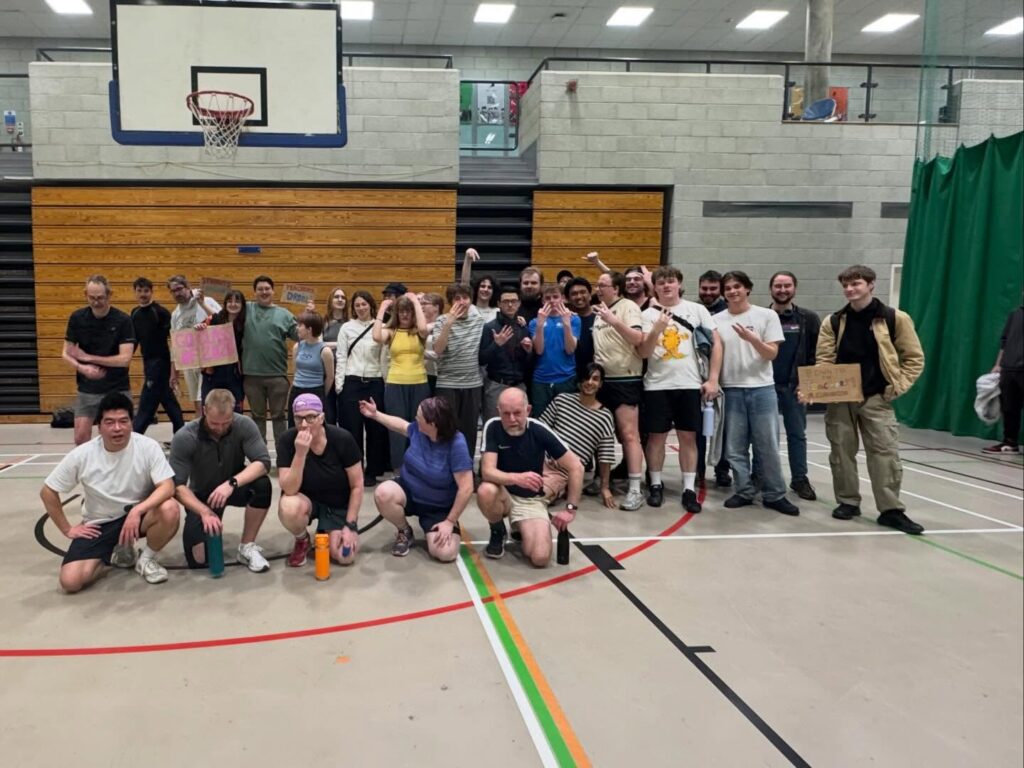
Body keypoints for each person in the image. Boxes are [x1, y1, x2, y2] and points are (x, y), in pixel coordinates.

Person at [812, 265, 926, 534]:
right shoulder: (834, 321)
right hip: (841, 398)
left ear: (871, 284)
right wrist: (817, 387)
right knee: (841, 451)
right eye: (846, 285)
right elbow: (824, 360)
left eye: (856, 284)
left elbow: (914, 358)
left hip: (876, 397)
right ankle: (848, 502)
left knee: (885, 453)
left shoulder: (894, 318)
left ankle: (890, 510)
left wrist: (897, 387)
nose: (850, 289)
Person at [40, 392, 180, 592]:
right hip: (100, 523)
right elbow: (48, 491)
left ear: (131, 423)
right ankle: (113, 552)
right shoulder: (83, 454)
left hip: (138, 518)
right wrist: (67, 529)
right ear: (99, 426)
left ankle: (146, 559)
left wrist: (137, 510)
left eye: (123, 421)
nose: (117, 428)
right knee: (71, 582)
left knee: (170, 508)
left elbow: (167, 486)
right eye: (109, 422)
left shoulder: (148, 447)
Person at [713, 271, 800, 516]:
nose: (733, 291)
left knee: (767, 445)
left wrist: (753, 339)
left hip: (762, 389)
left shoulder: (766, 315)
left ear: (748, 288)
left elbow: (771, 353)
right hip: (731, 389)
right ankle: (744, 491)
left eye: (737, 286)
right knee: (734, 447)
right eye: (728, 288)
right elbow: (716, 354)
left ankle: (775, 494)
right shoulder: (716, 320)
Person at [638, 266, 721, 514]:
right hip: (657, 385)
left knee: (688, 438)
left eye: (671, 281)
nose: (666, 285)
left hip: (689, 384)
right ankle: (655, 484)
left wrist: (713, 379)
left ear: (679, 284)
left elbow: (717, 344)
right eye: (661, 282)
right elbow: (643, 352)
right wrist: (657, 329)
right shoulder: (647, 315)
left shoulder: (697, 310)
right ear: (654, 287)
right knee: (656, 438)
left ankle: (688, 489)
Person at [169, 388, 272, 573]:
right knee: (199, 561)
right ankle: (207, 524)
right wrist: (204, 511)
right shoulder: (185, 436)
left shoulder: (244, 425)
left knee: (262, 485)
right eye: (214, 423)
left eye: (226, 423)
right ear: (204, 410)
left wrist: (231, 483)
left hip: (233, 488)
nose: (220, 428)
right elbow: (177, 486)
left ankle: (247, 546)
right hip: (202, 497)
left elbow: (263, 462)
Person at [359, 396, 473, 561]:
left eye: (419, 416)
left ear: (433, 424)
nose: (415, 418)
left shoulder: (457, 444)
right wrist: (376, 414)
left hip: (438, 507)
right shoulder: (419, 431)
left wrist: (449, 521)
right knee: (383, 493)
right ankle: (404, 530)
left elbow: (466, 488)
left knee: (446, 553)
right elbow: (401, 425)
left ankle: (443, 525)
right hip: (409, 493)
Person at [478, 388, 582, 566]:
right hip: (502, 493)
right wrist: (517, 478)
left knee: (540, 558)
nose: (512, 419)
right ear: (498, 412)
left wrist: (570, 509)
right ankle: (498, 530)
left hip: (530, 499)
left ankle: (520, 528)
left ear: (528, 410)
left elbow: (576, 466)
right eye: (506, 414)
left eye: (517, 413)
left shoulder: (538, 430)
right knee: (485, 490)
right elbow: (487, 471)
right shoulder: (493, 426)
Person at [277, 393, 364, 566]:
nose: (304, 424)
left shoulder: (342, 439)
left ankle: (326, 531)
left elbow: (357, 485)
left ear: (322, 417)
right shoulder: (287, 440)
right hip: (307, 501)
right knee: (288, 506)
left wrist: (350, 525)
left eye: (310, 417)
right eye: (299, 418)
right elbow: (289, 489)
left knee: (345, 557)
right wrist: (300, 454)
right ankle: (302, 539)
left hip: (337, 504)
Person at [592, 271, 646, 511]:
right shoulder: (600, 311)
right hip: (604, 381)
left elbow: (637, 338)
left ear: (616, 288)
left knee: (629, 435)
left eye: (603, 285)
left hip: (625, 379)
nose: (598, 288)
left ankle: (635, 489)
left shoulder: (628, 307)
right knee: (603, 434)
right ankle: (602, 480)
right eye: (597, 285)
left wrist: (613, 320)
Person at [62, 275, 136, 446]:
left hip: (117, 387)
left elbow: (125, 359)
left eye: (100, 298)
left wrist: (89, 358)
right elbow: (66, 352)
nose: (96, 302)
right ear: (85, 294)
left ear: (109, 295)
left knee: (119, 437)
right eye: (92, 298)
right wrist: (82, 367)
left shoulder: (123, 320)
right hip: (88, 388)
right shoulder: (77, 318)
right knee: (80, 438)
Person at [768, 271, 820, 499]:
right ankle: (760, 475)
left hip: (795, 387)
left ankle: (799, 479)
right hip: (765, 387)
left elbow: (816, 354)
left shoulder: (808, 318)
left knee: (797, 434)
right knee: (763, 436)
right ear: (771, 289)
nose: (782, 290)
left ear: (794, 288)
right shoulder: (762, 317)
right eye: (778, 286)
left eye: (787, 286)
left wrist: (809, 384)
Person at [539, 364, 618, 510]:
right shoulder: (561, 400)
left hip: (561, 472)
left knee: (536, 497)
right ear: (580, 380)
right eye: (586, 378)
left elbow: (605, 457)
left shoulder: (605, 417)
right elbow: (539, 429)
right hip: (538, 458)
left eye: (595, 379)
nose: (590, 382)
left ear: (600, 384)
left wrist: (605, 488)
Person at [335, 290, 390, 486]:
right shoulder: (347, 328)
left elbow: (385, 357)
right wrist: (339, 385)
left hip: (375, 382)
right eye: (357, 305)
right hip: (351, 382)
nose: (361, 308)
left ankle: (372, 471)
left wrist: (385, 382)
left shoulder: (382, 327)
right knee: (352, 430)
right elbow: (341, 356)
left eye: (364, 304)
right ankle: (354, 469)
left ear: (371, 305)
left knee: (375, 430)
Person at [374, 292, 430, 473]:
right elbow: (376, 336)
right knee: (396, 431)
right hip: (395, 384)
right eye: (401, 311)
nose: (405, 315)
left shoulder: (419, 332)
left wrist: (415, 302)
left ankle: (419, 468)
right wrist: (382, 308)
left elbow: (423, 328)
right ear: (396, 313)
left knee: (420, 427)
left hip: (419, 383)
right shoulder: (391, 332)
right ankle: (399, 470)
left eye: (408, 311)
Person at [429, 284, 486, 457]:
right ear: (451, 302)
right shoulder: (442, 321)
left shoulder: (479, 321)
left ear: (471, 300)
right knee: (446, 429)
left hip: (472, 384)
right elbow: (438, 350)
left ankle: (466, 466)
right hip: (447, 383)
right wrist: (449, 323)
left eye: (465, 298)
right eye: (457, 298)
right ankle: (445, 466)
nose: (461, 302)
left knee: (469, 431)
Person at [242, 275, 298, 445]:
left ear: (273, 291)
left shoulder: (285, 314)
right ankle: (259, 455)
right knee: (257, 417)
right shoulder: (246, 309)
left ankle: (283, 453)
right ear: (254, 292)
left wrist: (309, 314)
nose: (264, 292)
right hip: (251, 376)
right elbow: (223, 315)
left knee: (279, 416)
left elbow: (300, 335)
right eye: (260, 289)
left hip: (277, 376)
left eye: (267, 289)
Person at [130, 276, 184, 436]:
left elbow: (174, 339)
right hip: (148, 362)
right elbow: (134, 340)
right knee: (168, 400)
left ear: (151, 292)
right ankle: (181, 434)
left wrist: (174, 367)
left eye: (146, 291)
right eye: (139, 291)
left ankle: (134, 436)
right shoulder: (134, 313)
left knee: (147, 404)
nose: (143, 294)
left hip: (161, 363)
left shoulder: (160, 312)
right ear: (135, 292)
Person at [167, 275, 221, 416]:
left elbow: (223, 321)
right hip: (189, 363)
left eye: (179, 289)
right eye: (173, 291)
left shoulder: (206, 301)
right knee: (197, 403)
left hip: (209, 361)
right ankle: (201, 426)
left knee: (204, 400)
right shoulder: (175, 314)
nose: (177, 293)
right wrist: (173, 373)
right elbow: (175, 345)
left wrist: (202, 304)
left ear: (188, 287)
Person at [696, 270, 731, 485]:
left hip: (724, 378)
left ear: (720, 289)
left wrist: (715, 378)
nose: (708, 292)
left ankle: (722, 469)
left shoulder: (729, 311)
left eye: (713, 289)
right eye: (704, 288)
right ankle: (698, 470)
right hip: (698, 378)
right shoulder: (693, 310)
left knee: (723, 428)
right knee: (697, 429)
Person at [479, 285, 533, 422]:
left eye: (513, 301)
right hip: (496, 385)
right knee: (493, 425)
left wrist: (528, 352)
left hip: (519, 385)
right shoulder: (490, 327)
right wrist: (496, 344)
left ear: (519, 303)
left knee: (519, 425)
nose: (510, 305)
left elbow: (529, 363)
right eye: (505, 301)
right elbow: (481, 359)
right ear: (498, 304)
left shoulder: (523, 327)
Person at [529, 283, 581, 416]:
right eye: (547, 298)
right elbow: (539, 350)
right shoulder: (534, 322)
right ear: (542, 301)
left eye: (555, 297)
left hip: (566, 378)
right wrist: (540, 325)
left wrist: (566, 324)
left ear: (562, 298)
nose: (552, 301)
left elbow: (570, 350)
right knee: (541, 420)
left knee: (566, 420)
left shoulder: (574, 319)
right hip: (541, 380)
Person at [985, 302, 1023, 453]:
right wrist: (998, 364)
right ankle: (1010, 442)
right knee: (1009, 407)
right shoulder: (1015, 314)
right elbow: (1004, 341)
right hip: (1008, 368)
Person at [198, 289, 246, 412]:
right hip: (213, 371)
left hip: (235, 372)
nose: (233, 304)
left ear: (242, 304)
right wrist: (199, 327)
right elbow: (198, 332)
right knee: (209, 406)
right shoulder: (214, 319)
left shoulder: (246, 322)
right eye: (229, 301)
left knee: (235, 409)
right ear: (225, 304)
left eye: (237, 301)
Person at [287, 310, 334, 428]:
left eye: (300, 325)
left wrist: (321, 394)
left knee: (316, 426)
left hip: (316, 390)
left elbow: (330, 377)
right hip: (297, 390)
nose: (297, 328)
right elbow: (296, 371)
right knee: (294, 425)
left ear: (309, 329)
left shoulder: (325, 350)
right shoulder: (297, 346)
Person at [322, 286, 349, 425]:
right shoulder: (323, 322)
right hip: (327, 372)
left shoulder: (350, 324)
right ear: (330, 300)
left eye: (343, 297)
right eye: (336, 297)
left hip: (345, 371)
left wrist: (329, 344)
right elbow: (317, 344)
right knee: (329, 413)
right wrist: (340, 344)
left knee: (345, 413)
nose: (340, 299)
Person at [564, 276, 596, 379]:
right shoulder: (565, 320)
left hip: (595, 376)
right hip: (570, 376)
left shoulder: (601, 318)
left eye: (583, 292)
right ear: (568, 299)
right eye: (574, 294)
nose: (579, 296)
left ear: (590, 295)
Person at [459, 247, 500, 323]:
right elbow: (464, 284)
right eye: (482, 286)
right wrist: (467, 259)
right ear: (477, 289)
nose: (486, 289)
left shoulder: (498, 311)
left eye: (489, 287)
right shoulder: (469, 308)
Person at [420, 292, 445, 393]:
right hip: (421, 375)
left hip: (440, 376)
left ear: (436, 307)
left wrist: (420, 353)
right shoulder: (418, 326)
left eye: (425, 304)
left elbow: (443, 353)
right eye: (420, 304)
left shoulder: (444, 325)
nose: (421, 306)